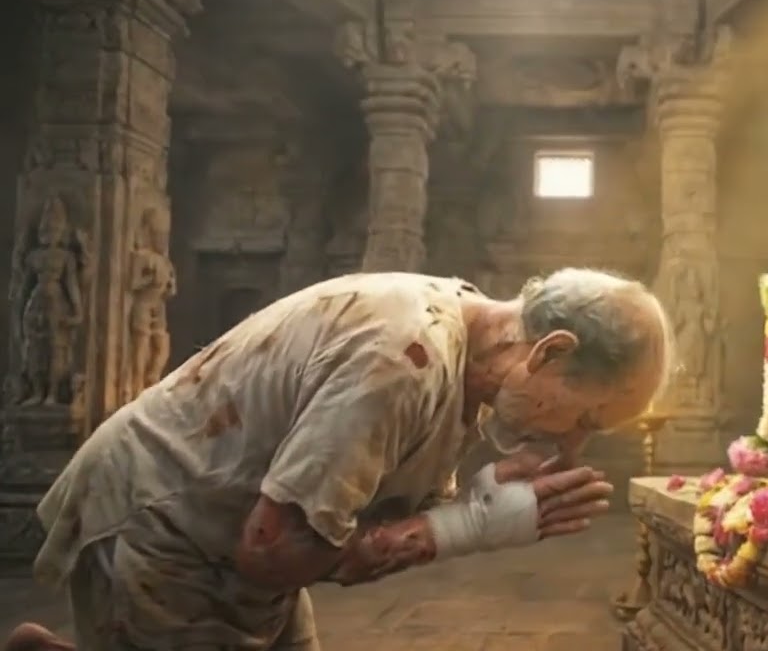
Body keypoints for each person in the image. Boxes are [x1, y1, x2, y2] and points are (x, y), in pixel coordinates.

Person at [4, 268, 673, 650]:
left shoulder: (471, 352)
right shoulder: (403, 360)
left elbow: (355, 506)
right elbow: (272, 550)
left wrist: (480, 498)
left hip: (238, 525)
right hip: (166, 516)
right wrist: (462, 528)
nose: (573, 445)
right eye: (585, 417)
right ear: (549, 350)